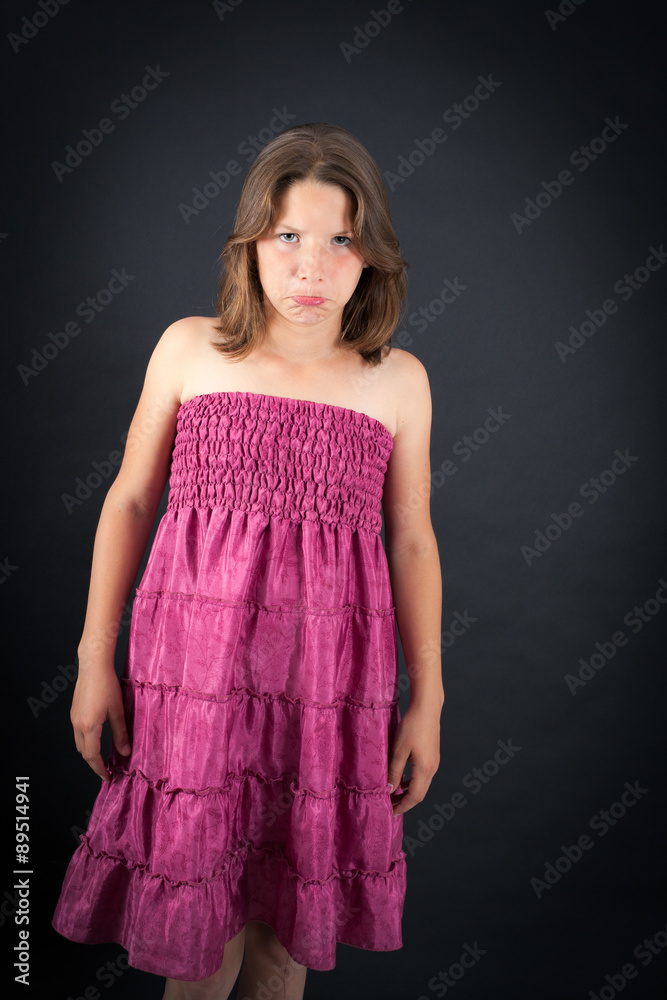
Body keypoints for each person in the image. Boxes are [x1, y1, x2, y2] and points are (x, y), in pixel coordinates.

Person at [52, 121, 444, 1000]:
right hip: (195, 684)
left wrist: (429, 699)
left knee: (283, 945)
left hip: (326, 692)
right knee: (198, 943)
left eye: (340, 241)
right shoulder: (191, 349)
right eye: (288, 236)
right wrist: (91, 660)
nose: (312, 268)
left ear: (372, 253)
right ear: (250, 243)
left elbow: (413, 539)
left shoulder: (396, 380)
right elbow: (129, 502)